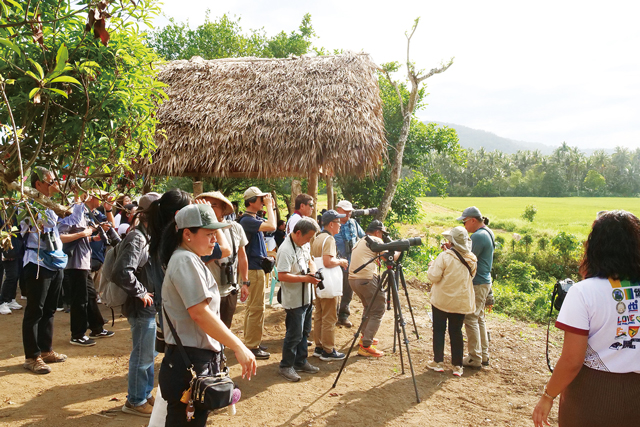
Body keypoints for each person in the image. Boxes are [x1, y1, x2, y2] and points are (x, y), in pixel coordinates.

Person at [532, 210, 640, 427]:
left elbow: (572, 360)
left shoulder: (584, 292)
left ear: (596, 245)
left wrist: (548, 395)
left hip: (593, 395)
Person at [158, 204, 256, 426]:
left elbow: (225, 248)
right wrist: (238, 346)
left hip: (193, 358)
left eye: (215, 233)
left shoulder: (190, 257)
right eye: (209, 233)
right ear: (187, 234)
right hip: (189, 361)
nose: (215, 239)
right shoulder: (185, 260)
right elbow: (199, 314)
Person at [110, 192, 164, 417]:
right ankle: (135, 400)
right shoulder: (137, 238)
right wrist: (142, 292)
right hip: (140, 308)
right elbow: (122, 272)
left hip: (147, 307)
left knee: (148, 354)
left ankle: (143, 393)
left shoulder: (146, 235)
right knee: (142, 355)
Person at [20, 168, 68, 374]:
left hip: (55, 261)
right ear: (38, 184)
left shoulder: (50, 205)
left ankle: (46, 350)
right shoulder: (28, 205)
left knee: (49, 309)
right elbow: (46, 223)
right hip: (38, 262)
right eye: (50, 182)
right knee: (35, 311)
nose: (55, 185)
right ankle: (32, 356)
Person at [59, 189, 114, 347]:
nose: (102, 200)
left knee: (89, 295)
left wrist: (91, 237)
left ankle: (96, 327)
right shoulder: (72, 212)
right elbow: (62, 235)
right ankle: (77, 334)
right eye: (99, 197)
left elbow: (80, 233)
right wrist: (84, 233)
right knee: (80, 299)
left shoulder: (84, 212)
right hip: (75, 263)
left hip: (83, 262)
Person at [426, 227, 477, 377]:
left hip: (441, 299)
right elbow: (470, 276)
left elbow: (434, 277)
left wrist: (431, 264)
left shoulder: (444, 256)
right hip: (460, 302)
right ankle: (457, 366)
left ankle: (438, 362)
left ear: (452, 241)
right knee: (456, 332)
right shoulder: (472, 259)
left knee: (439, 330)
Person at [276, 218, 322, 381]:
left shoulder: (304, 244)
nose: (309, 241)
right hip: (294, 299)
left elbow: (310, 260)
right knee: (294, 334)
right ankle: (286, 365)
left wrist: (313, 271)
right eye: (308, 237)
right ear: (297, 233)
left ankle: (300, 361)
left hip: (307, 296)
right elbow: (281, 275)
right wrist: (305, 279)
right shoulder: (285, 250)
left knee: (305, 331)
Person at [195, 191, 249, 328]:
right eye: (206, 205)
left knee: (225, 327)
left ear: (224, 209)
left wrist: (245, 282)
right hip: (207, 291)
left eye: (214, 205)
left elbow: (242, 256)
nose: (210, 208)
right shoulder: (197, 230)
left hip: (230, 289)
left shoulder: (235, 228)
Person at [238, 187, 277, 360]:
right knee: (256, 308)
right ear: (251, 201)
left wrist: (270, 206)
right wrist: (270, 206)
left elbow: (270, 225)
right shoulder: (246, 220)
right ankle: (252, 346)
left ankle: (251, 341)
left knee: (252, 308)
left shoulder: (253, 219)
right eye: (260, 199)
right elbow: (273, 226)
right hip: (253, 269)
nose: (263, 201)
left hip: (256, 267)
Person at [348, 220, 395, 357]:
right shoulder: (374, 240)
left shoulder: (361, 240)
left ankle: (365, 337)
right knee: (378, 309)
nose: (382, 237)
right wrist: (398, 249)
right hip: (366, 279)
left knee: (368, 307)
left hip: (353, 279)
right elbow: (389, 258)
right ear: (377, 232)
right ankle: (366, 345)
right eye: (383, 234)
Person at [458, 206, 494, 368]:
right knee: (479, 318)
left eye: (465, 222)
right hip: (484, 281)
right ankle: (482, 355)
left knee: (470, 318)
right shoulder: (488, 232)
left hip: (477, 282)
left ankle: (474, 357)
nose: (465, 226)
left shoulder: (478, 236)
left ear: (473, 220)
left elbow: (467, 259)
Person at [310, 210, 348, 361]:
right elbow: (328, 262)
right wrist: (341, 261)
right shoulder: (330, 240)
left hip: (319, 280)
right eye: (338, 222)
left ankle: (319, 346)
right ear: (331, 224)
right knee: (330, 316)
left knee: (319, 314)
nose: (340, 225)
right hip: (329, 281)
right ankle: (328, 349)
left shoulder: (317, 237)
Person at [334, 200, 365, 328]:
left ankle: (343, 315)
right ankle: (333, 315)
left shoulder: (353, 223)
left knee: (348, 291)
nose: (348, 214)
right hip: (336, 263)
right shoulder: (332, 223)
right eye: (346, 211)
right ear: (338, 210)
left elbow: (362, 237)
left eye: (350, 211)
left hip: (351, 263)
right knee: (335, 290)